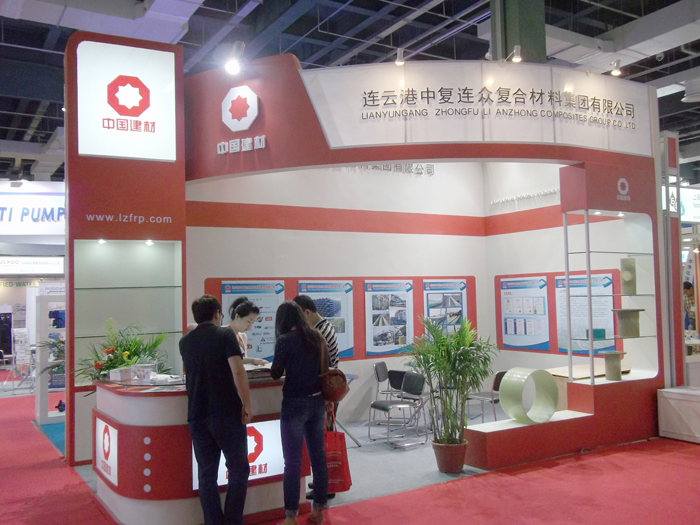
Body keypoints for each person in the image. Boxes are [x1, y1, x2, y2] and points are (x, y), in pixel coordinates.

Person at [180, 295, 252, 525]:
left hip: (197, 414)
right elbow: (238, 371)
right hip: (226, 413)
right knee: (239, 470)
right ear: (217, 314)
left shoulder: (185, 341)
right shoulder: (225, 335)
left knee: (206, 475)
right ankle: (232, 521)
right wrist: (246, 404)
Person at [271, 301, 329, 525]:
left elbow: (276, 372)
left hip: (294, 404)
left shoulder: (285, 341)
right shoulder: (317, 337)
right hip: (317, 402)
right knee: (318, 459)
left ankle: (291, 516)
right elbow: (326, 367)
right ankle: (318, 512)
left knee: (293, 463)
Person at [293, 295, 339, 368]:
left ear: (307, 313)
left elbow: (311, 364)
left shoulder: (320, 334)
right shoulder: (326, 324)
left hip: (323, 374)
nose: (299, 322)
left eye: (299, 318)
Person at [228, 297, 269, 366]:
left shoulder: (243, 335)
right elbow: (229, 359)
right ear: (237, 317)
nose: (250, 327)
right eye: (248, 321)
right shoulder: (222, 333)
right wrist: (253, 360)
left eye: (252, 323)